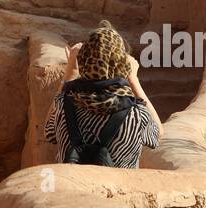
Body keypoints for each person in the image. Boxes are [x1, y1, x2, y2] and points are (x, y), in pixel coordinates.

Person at [44, 21, 161, 167]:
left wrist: (70, 72)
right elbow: (158, 134)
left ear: (84, 59)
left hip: (73, 184)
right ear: (122, 63)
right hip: (118, 188)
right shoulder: (136, 114)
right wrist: (133, 80)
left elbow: (48, 132)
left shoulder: (63, 104)